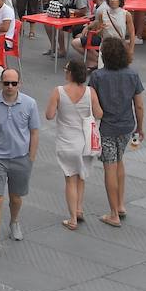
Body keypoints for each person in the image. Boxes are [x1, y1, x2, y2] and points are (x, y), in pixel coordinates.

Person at [0, 67, 40, 257]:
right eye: (6, 83)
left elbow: (34, 132)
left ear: (19, 83)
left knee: (16, 198)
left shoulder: (30, 104)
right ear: (1, 83)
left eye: (13, 83)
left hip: (21, 157)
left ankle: (14, 221)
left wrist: (31, 157)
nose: (10, 86)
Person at [89, 37, 145, 228]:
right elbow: (139, 105)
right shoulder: (132, 74)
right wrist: (140, 127)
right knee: (120, 160)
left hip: (107, 127)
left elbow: (92, 103)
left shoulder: (97, 76)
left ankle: (113, 214)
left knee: (109, 167)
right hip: (127, 126)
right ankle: (120, 205)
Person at [45, 60, 102, 230]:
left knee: (70, 179)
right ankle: (79, 209)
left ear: (70, 73)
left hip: (67, 141)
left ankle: (72, 219)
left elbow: (49, 115)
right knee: (81, 176)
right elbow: (99, 113)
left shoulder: (58, 91)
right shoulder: (90, 92)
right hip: (85, 142)